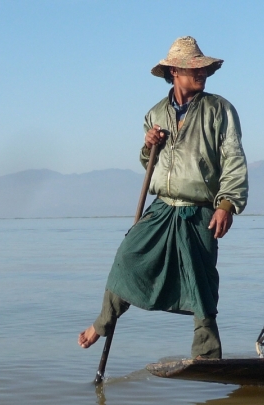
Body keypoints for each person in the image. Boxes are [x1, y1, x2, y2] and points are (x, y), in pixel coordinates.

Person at [78, 36, 248, 359]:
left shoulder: (219, 110)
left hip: (199, 211)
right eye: (191, 69)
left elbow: (233, 160)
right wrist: (148, 144)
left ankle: (207, 356)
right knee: (127, 259)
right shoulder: (156, 114)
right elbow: (149, 165)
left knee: (200, 284)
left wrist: (226, 204)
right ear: (173, 72)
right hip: (162, 208)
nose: (200, 74)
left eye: (202, 69)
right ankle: (103, 323)